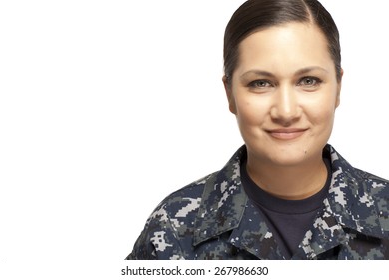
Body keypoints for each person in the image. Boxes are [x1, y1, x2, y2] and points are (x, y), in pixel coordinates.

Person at [126, 0, 389, 260]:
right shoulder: (172, 228)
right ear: (229, 93)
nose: (286, 111)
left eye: (309, 81)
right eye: (261, 83)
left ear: (338, 88)